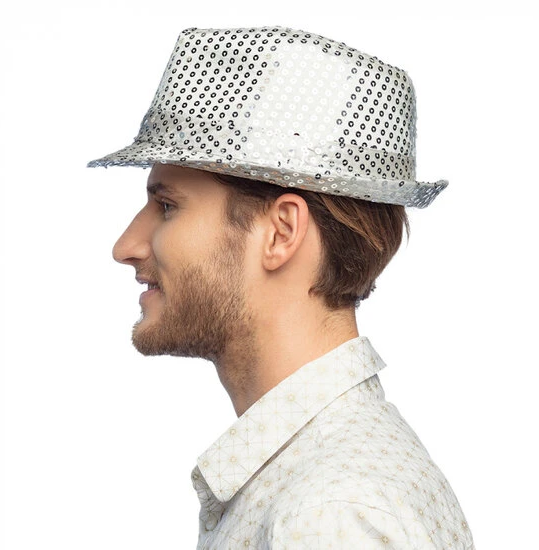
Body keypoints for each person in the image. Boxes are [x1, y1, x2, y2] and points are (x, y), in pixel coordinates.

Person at [88, 26, 474, 549]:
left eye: (167, 205)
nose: (126, 246)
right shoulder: (315, 484)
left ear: (281, 233)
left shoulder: (330, 515)